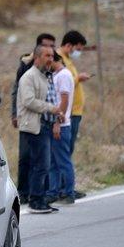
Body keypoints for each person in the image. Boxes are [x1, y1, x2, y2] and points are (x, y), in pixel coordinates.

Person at [16, 44, 64, 214]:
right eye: (47, 55)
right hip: (33, 127)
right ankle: (35, 201)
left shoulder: (45, 76)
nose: (50, 59)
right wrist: (51, 108)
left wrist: (56, 116)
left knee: (44, 164)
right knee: (40, 164)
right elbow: (28, 101)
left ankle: (41, 198)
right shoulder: (29, 77)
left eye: (52, 56)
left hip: (45, 126)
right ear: (37, 58)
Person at [11, 32, 55, 199]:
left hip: (45, 120)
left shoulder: (52, 64)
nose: (50, 51)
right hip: (29, 118)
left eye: (52, 46)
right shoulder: (26, 67)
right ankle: (24, 193)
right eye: (46, 47)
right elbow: (19, 93)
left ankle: (42, 193)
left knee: (43, 161)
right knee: (26, 157)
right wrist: (15, 114)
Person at [57, 30, 92, 168]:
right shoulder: (59, 59)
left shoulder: (68, 60)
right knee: (65, 149)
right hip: (68, 111)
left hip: (75, 110)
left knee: (69, 148)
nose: (78, 52)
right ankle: (63, 185)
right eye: (78, 49)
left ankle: (66, 184)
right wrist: (78, 78)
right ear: (69, 45)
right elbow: (64, 83)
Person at [47, 49, 77, 205]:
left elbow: (63, 100)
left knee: (63, 161)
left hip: (62, 125)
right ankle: (54, 191)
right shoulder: (57, 75)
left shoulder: (63, 76)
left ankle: (68, 192)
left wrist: (58, 122)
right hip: (56, 124)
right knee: (53, 162)